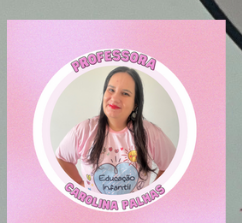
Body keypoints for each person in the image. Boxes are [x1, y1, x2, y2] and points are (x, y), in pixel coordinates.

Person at [55, 65, 175, 196]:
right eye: (111, 90)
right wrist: (79, 183)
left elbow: (174, 165)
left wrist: (151, 195)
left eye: (125, 93)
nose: (115, 98)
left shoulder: (150, 133)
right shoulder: (84, 131)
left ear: (135, 104)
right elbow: (61, 159)